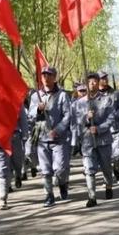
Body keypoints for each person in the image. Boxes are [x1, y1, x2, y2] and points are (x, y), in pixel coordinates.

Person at [28, 66, 72, 207]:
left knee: (61, 168)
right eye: (44, 75)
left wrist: (58, 130)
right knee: (45, 170)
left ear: (54, 77)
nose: (46, 78)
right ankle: (49, 195)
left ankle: (63, 183)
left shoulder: (62, 95)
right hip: (42, 138)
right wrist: (37, 109)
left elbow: (67, 116)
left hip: (59, 139)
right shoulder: (36, 96)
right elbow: (30, 115)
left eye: (49, 75)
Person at [73, 72, 115, 207]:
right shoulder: (79, 103)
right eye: (89, 82)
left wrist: (99, 128)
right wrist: (86, 117)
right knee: (89, 169)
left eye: (95, 81)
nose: (92, 84)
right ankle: (92, 196)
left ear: (99, 83)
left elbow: (111, 119)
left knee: (106, 167)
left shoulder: (107, 100)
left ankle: (108, 185)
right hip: (87, 140)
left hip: (103, 139)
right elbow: (76, 121)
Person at [98, 71, 119, 184]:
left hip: (115, 128)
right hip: (102, 131)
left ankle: (116, 169)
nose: (105, 79)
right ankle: (107, 177)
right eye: (102, 78)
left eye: (106, 77)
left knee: (118, 153)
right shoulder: (94, 95)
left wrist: (115, 115)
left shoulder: (115, 93)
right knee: (106, 157)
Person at [70, 82, 87, 158]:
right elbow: (72, 118)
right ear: (77, 92)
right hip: (77, 127)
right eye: (80, 91)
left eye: (84, 91)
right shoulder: (74, 104)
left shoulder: (90, 102)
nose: (82, 93)